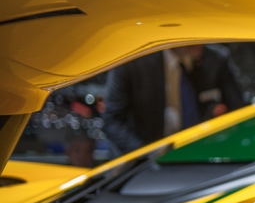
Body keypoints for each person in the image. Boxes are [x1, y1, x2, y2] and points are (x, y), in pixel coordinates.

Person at [102, 44, 244, 155]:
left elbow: (238, 111)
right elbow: (111, 120)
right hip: (141, 159)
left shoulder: (215, 60)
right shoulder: (132, 61)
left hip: (198, 155)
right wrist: (146, 154)